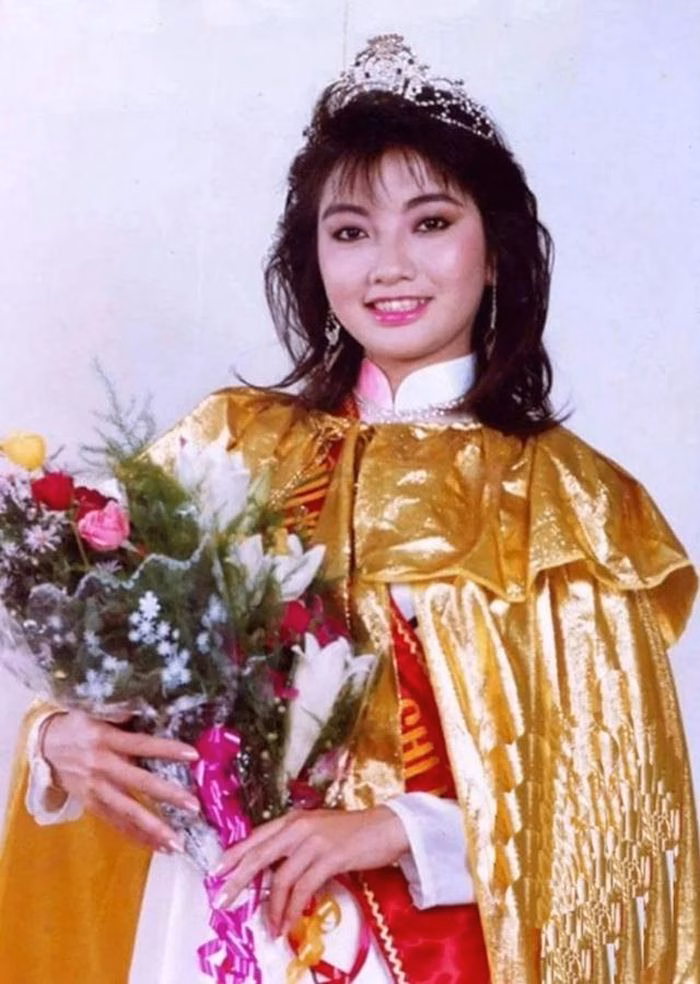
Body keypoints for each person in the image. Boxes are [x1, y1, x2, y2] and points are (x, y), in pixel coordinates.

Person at [1, 33, 698, 984]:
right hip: (209, 921)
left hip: (430, 945)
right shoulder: (227, 446)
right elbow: (92, 659)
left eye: (431, 222)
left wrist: (397, 827)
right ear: (315, 259)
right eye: (351, 232)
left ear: (496, 251)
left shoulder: (565, 503)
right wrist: (55, 738)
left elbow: (616, 812)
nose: (389, 267)